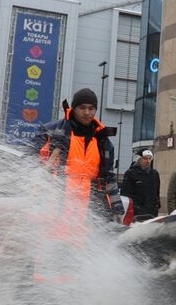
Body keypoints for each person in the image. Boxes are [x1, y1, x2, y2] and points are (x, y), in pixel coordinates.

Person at [38, 88, 125, 228]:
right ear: (73, 108)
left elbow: (108, 177)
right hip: (54, 210)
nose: (87, 112)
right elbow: (31, 163)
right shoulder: (52, 133)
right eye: (82, 108)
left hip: (88, 213)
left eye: (91, 108)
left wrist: (117, 209)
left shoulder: (103, 142)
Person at [120, 149, 161, 221]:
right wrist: (135, 207)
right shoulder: (130, 173)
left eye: (150, 158)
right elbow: (125, 194)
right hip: (137, 213)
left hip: (152, 212)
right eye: (145, 158)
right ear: (139, 159)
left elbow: (157, 191)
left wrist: (157, 204)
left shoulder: (155, 174)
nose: (148, 161)